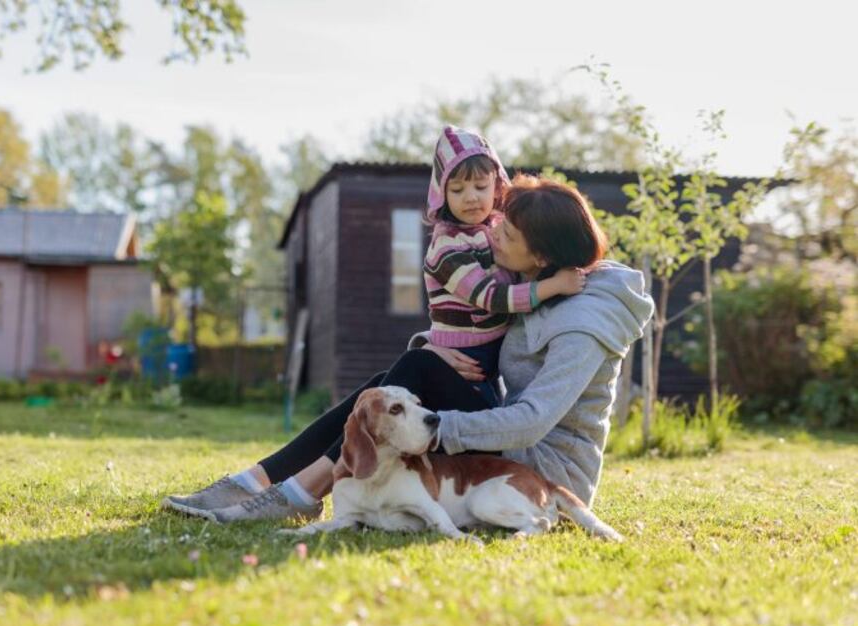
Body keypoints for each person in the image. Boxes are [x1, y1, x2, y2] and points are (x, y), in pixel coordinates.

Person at [162, 174, 654, 523]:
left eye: (505, 234)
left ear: (542, 254)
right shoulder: (541, 285)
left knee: (408, 377)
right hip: (510, 438)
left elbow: (532, 420)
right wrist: (433, 348)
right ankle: (259, 481)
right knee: (392, 383)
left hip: (543, 469)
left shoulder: (584, 324)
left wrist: (435, 429)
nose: (492, 236)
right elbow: (483, 332)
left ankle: (300, 488)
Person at [423, 125, 585, 405]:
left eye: (481, 186)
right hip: (464, 356)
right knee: (476, 416)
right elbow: (491, 296)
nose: (471, 197)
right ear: (442, 194)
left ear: (497, 184)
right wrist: (555, 285)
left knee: (499, 408)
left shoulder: (496, 226)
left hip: (496, 349)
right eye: (458, 189)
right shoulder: (446, 246)